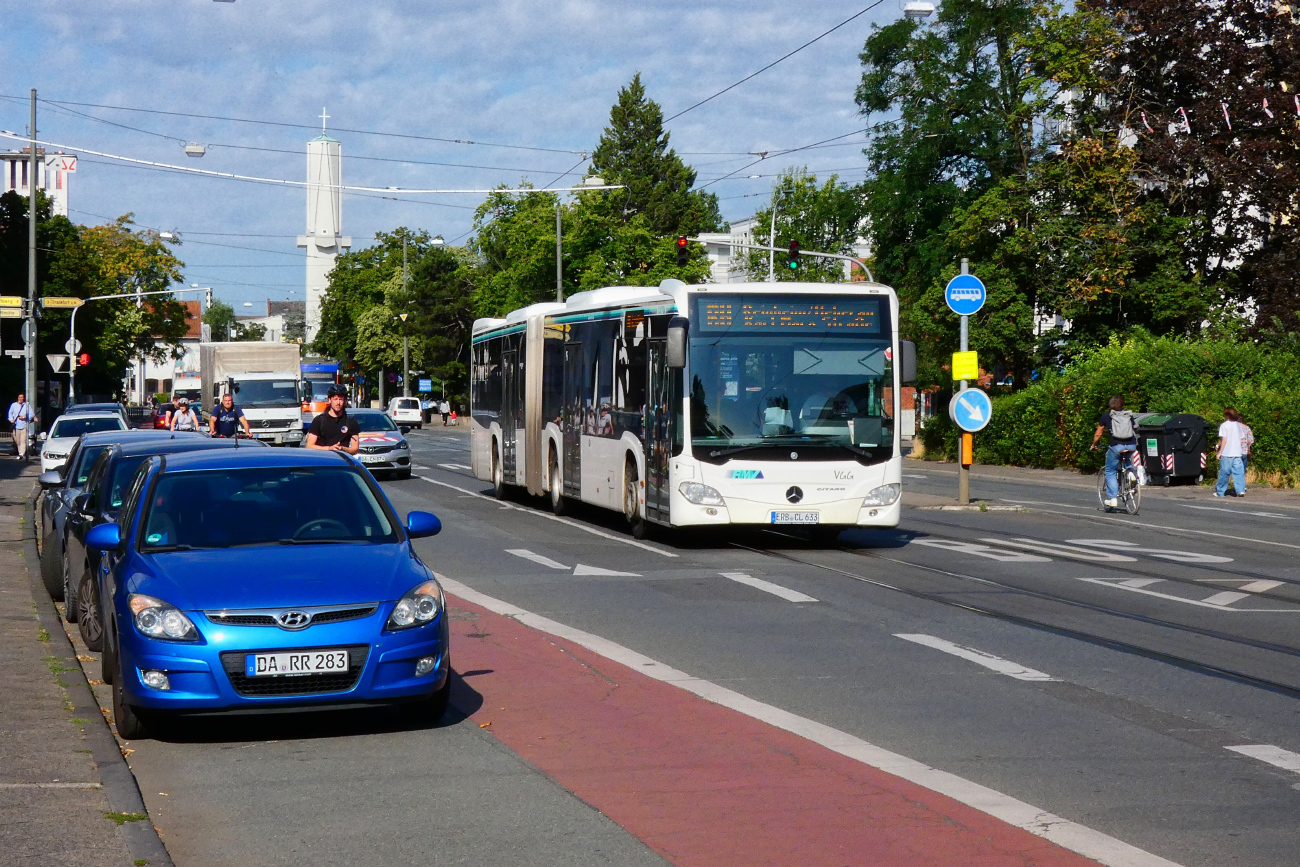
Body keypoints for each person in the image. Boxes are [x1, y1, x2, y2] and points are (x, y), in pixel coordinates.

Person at [1091, 395, 1138, 509]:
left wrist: (1094, 445)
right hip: (1131, 445)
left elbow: (1098, 434)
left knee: (1110, 471)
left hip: (1117, 446)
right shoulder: (1128, 415)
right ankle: (1130, 473)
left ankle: (1112, 499)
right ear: (1123, 404)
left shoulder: (1107, 416)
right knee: (1126, 459)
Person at [305, 385, 360, 454]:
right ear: (329, 400)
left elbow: (355, 449)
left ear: (345, 400)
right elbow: (309, 446)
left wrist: (343, 449)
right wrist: (329, 448)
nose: (338, 403)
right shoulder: (319, 420)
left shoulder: (351, 422)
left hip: (342, 462)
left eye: (341, 399)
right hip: (323, 460)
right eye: (335, 399)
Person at [1214, 407, 1248, 498]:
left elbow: (1224, 440)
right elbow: (1241, 439)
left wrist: (1219, 453)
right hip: (1237, 453)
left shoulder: (1224, 425)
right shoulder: (1238, 425)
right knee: (1239, 473)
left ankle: (1220, 491)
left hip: (1227, 453)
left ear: (1227, 415)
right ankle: (1240, 490)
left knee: (1224, 473)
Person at [7, 393, 34, 460]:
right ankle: (20, 452)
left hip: (24, 425)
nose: (21, 398)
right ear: (17, 398)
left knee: (23, 440)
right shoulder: (14, 405)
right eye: (20, 397)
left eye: (22, 397)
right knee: (17, 441)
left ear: (24, 398)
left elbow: (31, 414)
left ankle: (21, 454)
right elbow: (10, 413)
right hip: (16, 426)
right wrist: (11, 419)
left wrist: (25, 417)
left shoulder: (27, 405)